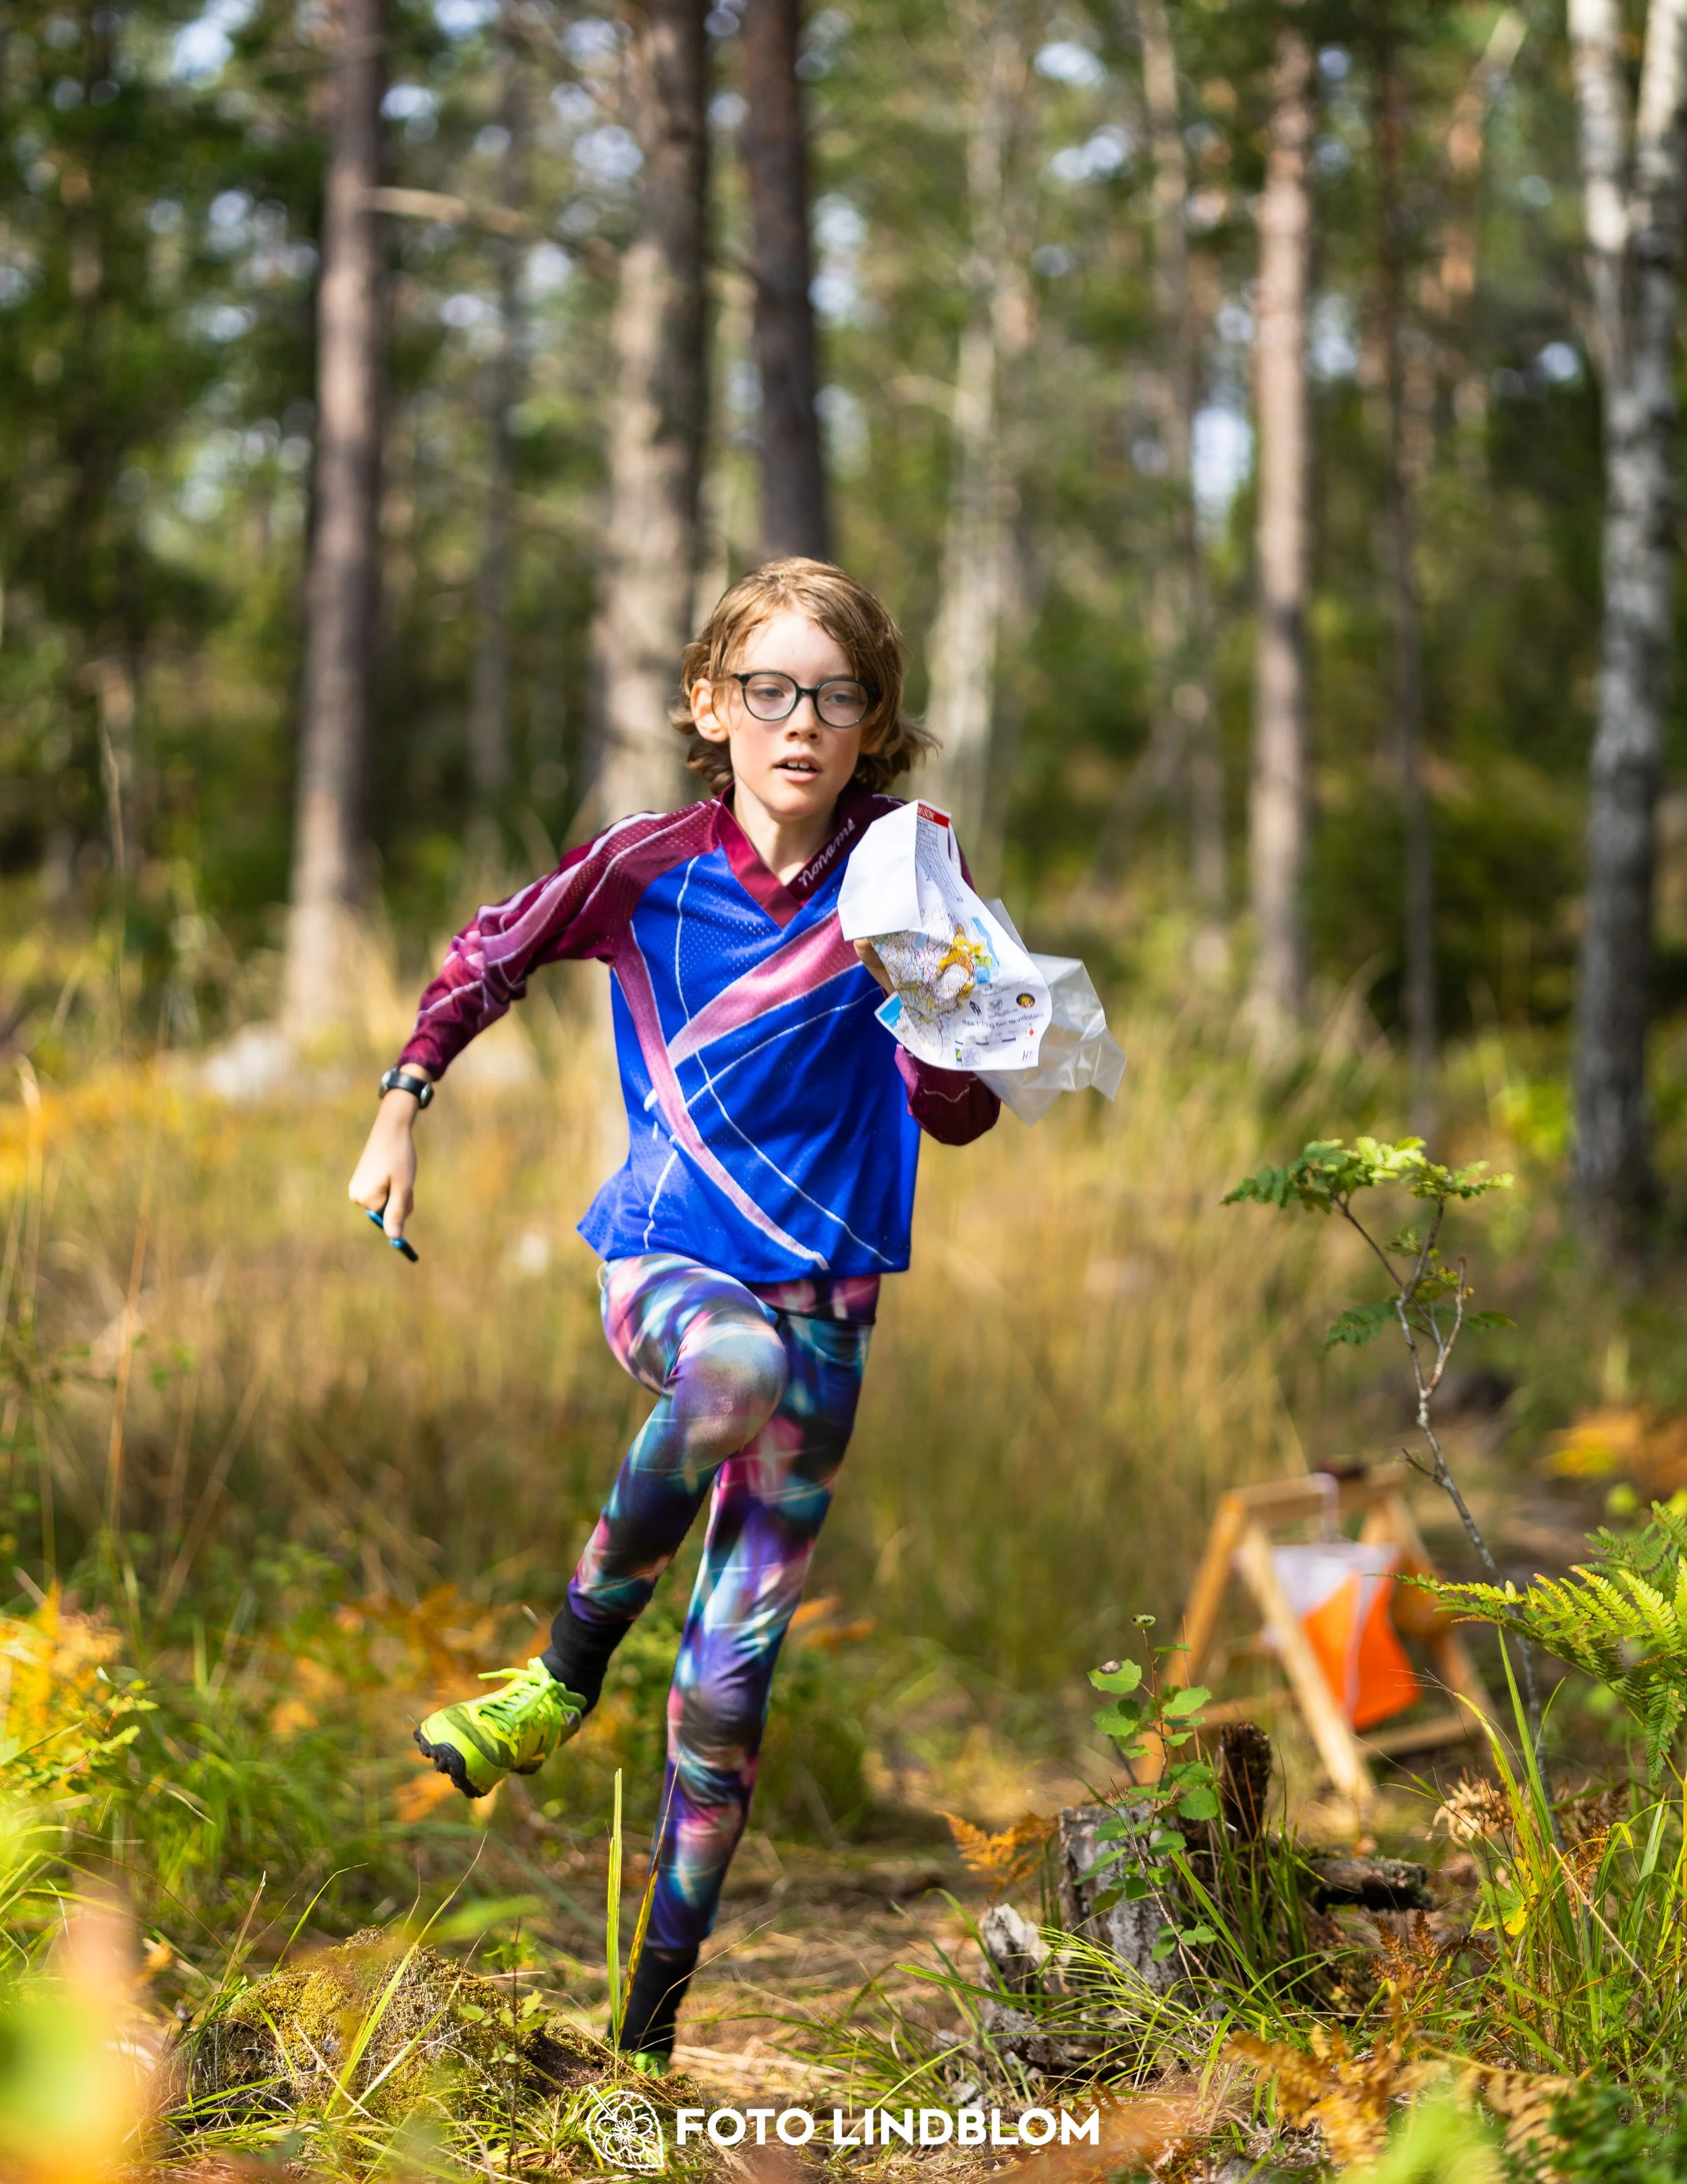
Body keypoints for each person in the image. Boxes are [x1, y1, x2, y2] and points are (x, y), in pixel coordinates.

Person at [347, 557, 999, 2068]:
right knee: (727, 1365)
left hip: (831, 1305)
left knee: (724, 1694)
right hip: (668, 1258)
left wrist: (927, 1018)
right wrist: (401, 1103)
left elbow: (958, 1113)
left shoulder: (904, 881)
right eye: (767, 688)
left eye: (835, 696)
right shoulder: (646, 864)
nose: (800, 721)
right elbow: (485, 953)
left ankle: (640, 2048)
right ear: (711, 704)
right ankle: (555, 1676)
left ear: (872, 722)